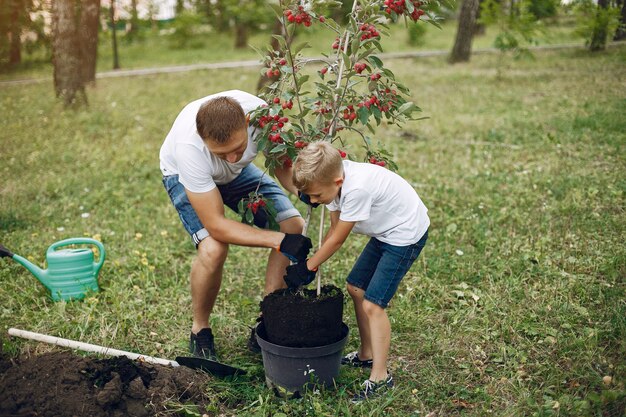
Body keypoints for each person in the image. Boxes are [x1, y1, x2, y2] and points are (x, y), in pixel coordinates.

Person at [159, 90, 312, 360]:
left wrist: (303, 191)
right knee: (213, 249)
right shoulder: (189, 150)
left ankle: (268, 318)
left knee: (293, 225)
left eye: (238, 150)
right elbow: (217, 225)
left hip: (238, 177)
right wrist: (277, 241)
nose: (231, 158)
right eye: (221, 153)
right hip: (187, 176)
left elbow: (280, 162)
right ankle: (200, 330)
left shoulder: (262, 117)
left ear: (246, 124)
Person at [285, 141, 429, 402]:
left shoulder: (357, 189)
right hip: (385, 231)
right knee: (356, 288)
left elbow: (339, 238)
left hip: (405, 233)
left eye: (317, 196)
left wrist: (308, 266)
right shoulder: (330, 183)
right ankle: (367, 354)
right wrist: (312, 260)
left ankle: (381, 377)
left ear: (338, 182)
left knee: (374, 305)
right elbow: (332, 229)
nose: (313, 201)